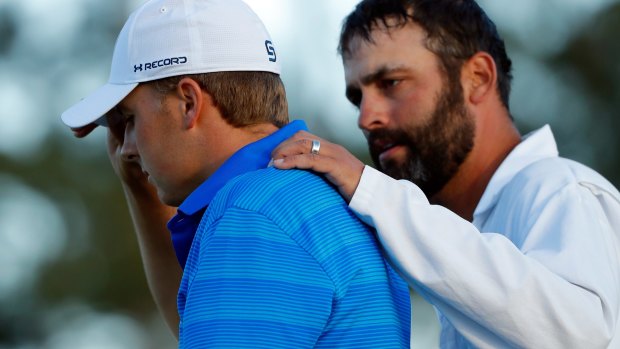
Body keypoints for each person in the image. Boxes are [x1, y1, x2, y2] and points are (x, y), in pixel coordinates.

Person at [61, 0, 411, 347]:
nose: (126, 147)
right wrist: (139, 189)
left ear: (188, 103)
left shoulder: (252, 213)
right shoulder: (317, 195)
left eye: (130, 119)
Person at [271, 0, 620, 348]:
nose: (366, 117)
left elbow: (579, 336)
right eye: (357, 97)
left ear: (478, 78)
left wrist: (371, 191)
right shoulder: (464, 231)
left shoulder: (564, 190)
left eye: (391, 82)